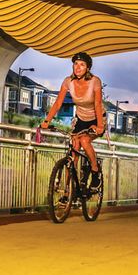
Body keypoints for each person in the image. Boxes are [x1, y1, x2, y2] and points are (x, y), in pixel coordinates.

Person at [41, 51, 105, 188]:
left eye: (82, 65)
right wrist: (47, 120)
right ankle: (68, 192)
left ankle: (94, 171)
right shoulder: (68, 81)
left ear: (88, 68)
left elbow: (98, 104)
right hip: (81, 118)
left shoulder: (95, 81)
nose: (78, 67)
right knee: (73, 150)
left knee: (84, 140)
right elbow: (58, 103)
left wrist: (99, 126)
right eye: (75, 64)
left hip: (96, 118)